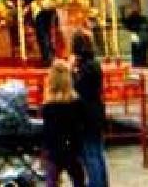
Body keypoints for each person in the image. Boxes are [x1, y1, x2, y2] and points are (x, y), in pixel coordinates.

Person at [72, 30, 109, 187]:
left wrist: (72, 73)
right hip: (96, 111)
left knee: (90, 154)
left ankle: (96, 183)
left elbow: (79, 88)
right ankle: (102, 182)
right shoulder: (94, 63)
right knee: (98, 151)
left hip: (87, 114)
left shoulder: (86, 67)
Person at [43, 59, 86, 187]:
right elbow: (79, 127)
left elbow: (47, 130)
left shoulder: (48, 105)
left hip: (53, 148)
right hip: (71, 147)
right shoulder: (76, 103)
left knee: (52, 179)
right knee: (78, 178)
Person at [122, 0, 148, 67]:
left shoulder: (142, 18)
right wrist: (123, 13)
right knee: (136, 51)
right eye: (133, 6)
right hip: (135, 35)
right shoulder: (131, 17)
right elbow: (126, 25)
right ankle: (137, 63)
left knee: (142, 51)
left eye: (136, 5)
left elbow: (145, 26)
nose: (135, 7)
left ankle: (142, 63)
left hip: (141, 36)